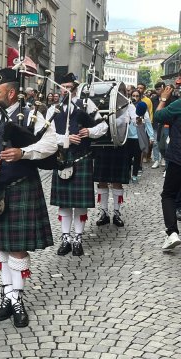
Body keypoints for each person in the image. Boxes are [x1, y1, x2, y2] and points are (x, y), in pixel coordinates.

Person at [0, 68, 57, 328]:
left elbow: (51, 144)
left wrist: (24, 153)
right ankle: (6, 295)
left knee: (17, 247)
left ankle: (17, 298)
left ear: (11, 92)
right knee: (0, 246)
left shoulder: (32, 115)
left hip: (22, 187)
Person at [47, 72, 108, 257]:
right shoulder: (53, 109)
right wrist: (64, 138)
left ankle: (78, 238)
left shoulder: (86, 104)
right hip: (62, 159)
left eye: (70, 87)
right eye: (63, 87)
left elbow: (103, 126)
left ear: (75, 87)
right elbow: (45, 135)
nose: (66, 90)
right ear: (59, 88)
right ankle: (65, 238)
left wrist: (89, 131)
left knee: (79, 204)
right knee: (64, 204)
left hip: (82, 157)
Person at [94, 95, 136, 228]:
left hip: (120, 145)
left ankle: (117, 213)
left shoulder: (128, 105)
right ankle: (104, 213)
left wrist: (135, 119)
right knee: (102, 180)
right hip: (102, 145)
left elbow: (135, 120)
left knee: (117, 181)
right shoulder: (101, 104)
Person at [153, 85, 181, 250]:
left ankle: (172, 233)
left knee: (168, 195)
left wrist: (163, 99)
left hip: (178, 158)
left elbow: (158, 115)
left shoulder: (178, 105)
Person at [127, 90, 154, 183]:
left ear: (140, 96)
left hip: (138, 136)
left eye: (137, 95)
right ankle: (127, 174)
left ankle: (134, 175)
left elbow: (148, 123)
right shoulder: (127, 106)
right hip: (128, 136)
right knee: (127, 156)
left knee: (137, 156)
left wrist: (151, 136)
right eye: (133, 95)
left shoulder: (143, 108)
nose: (135, 97)